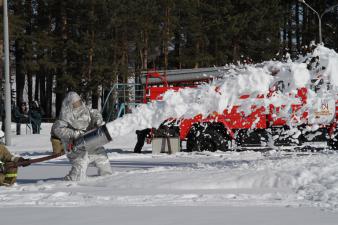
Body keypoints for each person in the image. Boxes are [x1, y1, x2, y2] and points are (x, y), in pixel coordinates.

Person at [51, 92, 112, 181]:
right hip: (76, 147)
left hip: (90, 141)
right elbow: (57, 129)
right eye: (75, 103)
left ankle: (109, 180)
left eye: (79, 102)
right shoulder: (65, 116)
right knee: (80, 169)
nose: (78, 105)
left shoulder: (84, 109)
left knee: (102, 157)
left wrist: (98, 120)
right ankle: (66, 184)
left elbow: (94, 113)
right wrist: (75, 134)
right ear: (70, 104)